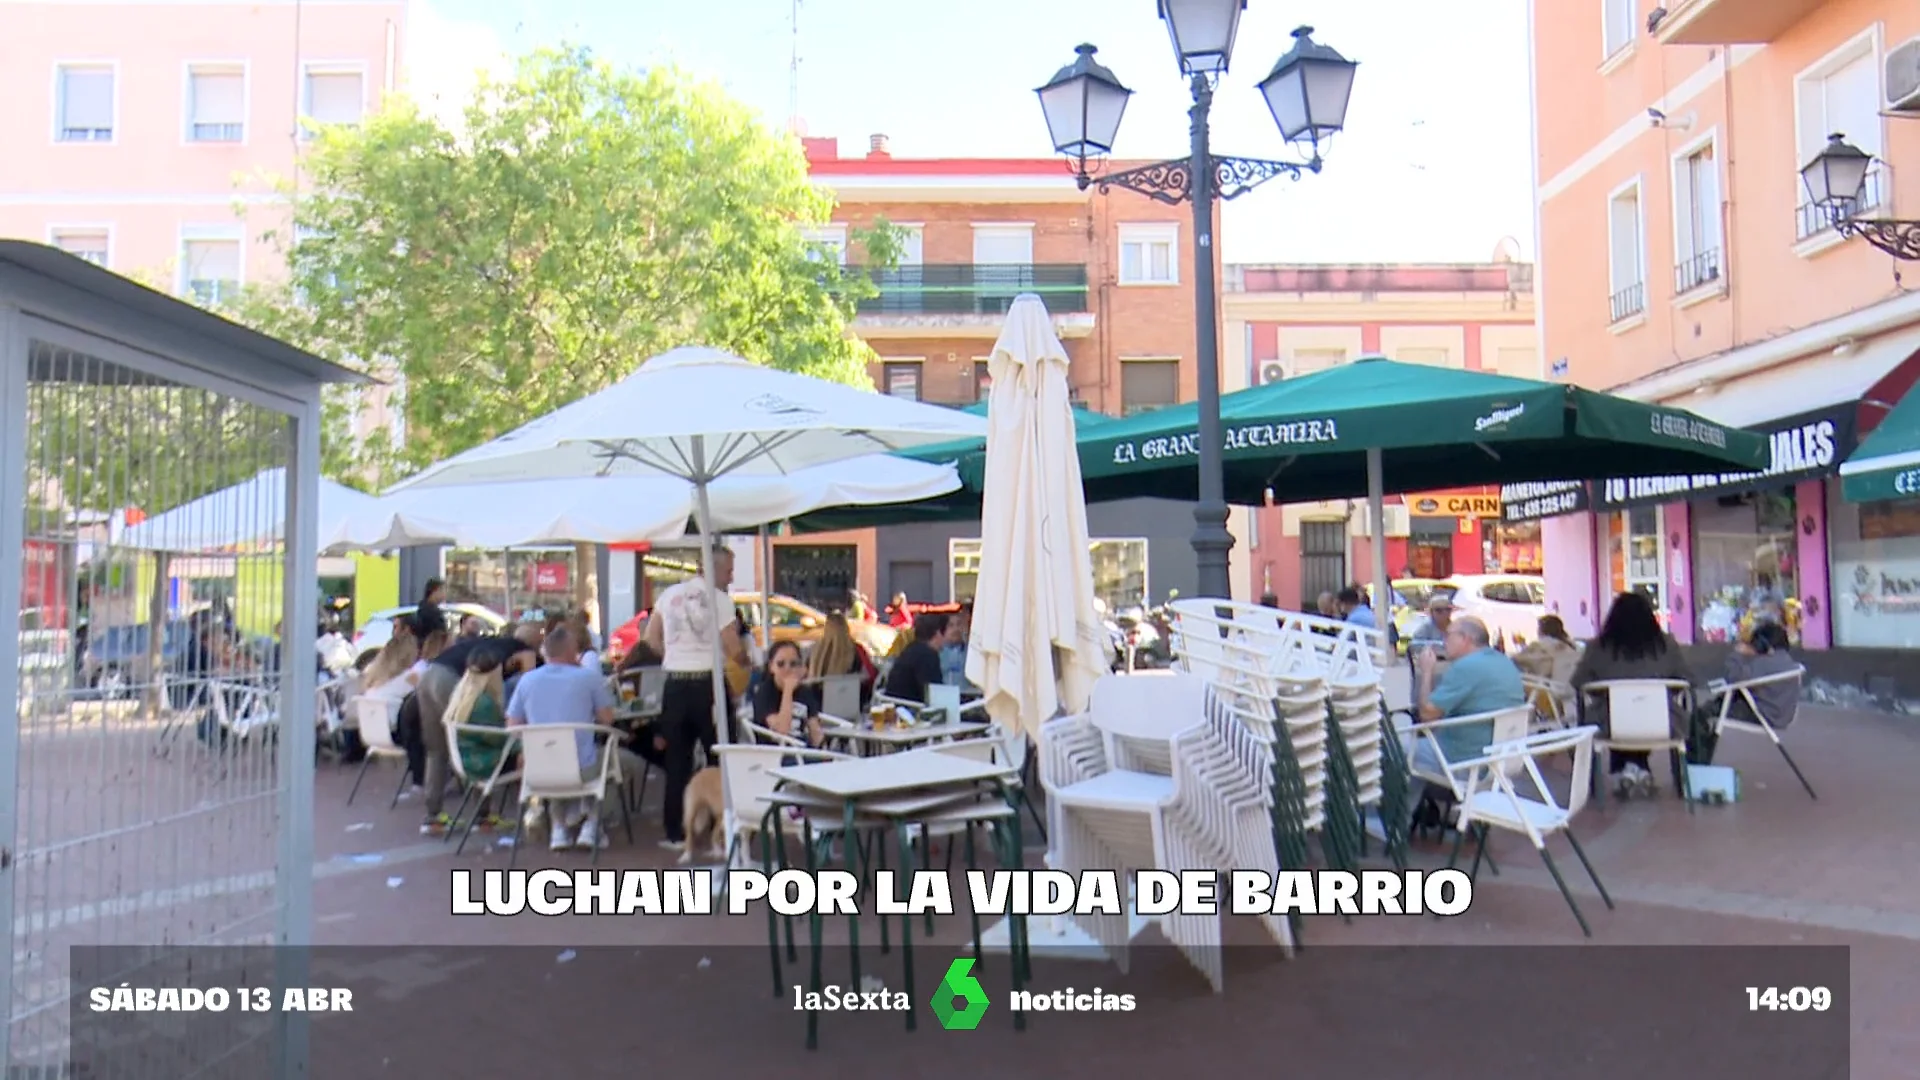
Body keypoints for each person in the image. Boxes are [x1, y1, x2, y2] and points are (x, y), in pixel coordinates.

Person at [642, 543, 748, 852]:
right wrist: (746, 660)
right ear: (713, 568)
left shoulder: (668, 595)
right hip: (707, 685)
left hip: (674, 684)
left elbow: (650, 638)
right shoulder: (720, 600)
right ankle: (722, 826)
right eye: (728, 570)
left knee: (677, 759)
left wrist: (672, 657)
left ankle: (676, 831)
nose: (730, 577)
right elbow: (732, 647)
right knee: (721, 755)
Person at [1569, 591, 1702, 793]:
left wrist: (1606, 692)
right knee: (1642, 712)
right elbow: (1688, 680)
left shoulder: (1598, 647)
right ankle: (1637, 767)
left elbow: (1578, 682)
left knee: (1618, 712)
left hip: (1610, 723)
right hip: (1663, 723)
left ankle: (1627, 768)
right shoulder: (1666, 645)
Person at [505, 626, 618, 852]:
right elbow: (607, 720)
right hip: (581, 769)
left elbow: (513, 727)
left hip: (539, 770)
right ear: (571, 651)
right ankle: (592, 824)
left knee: (554, 755)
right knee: (617, 764)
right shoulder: (589, 678)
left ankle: (559, 829)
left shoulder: (527, 681)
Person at [1408, 616, 1527, 802]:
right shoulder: (1504, 662)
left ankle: (1395, 823)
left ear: (1465, 639)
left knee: (1396, 749)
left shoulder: (1466, 667)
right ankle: (1424, 813)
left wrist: (1427, 672)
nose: (1444, 640)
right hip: (1500, 761)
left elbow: (1426, 716)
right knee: (1418, 748)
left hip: (1464, 762)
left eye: (1448, 635)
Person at [1700, 623, 1799, 765]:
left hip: (1762, 714)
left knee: (1702, 714)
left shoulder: (1766, 663)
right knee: (1719, 703)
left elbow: (1733, 678)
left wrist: (1737, 655)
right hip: (1780, 714)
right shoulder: (1786, 661)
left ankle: (1697, 761)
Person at [443, 646, 513, 826]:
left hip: (466, 759)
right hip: (483, 762)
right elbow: (499, 739)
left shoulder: (461, 695)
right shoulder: (485, 703)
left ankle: (484, 815)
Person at [751, 640, 826, 751]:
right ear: (771, 666)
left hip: (804, 751)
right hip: (776, 755)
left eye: (793, 664)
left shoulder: (804, 691)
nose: (787, 669)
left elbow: (815, 733)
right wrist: (788, 691)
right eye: (781, 664)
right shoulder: (765, 692)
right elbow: (782, 730)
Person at [807, 611, 875, 709]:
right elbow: (871, 675)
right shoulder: (856, 651)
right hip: (853, 705)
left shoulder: (815, 651)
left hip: (820, 708)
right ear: (846, 628)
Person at [882, 612, 948, 705]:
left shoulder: (910, 649)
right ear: (938, 633)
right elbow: (935, 696)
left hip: (897, 706)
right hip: (911, 711)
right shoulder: (927, 656)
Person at [1514, 614, 1580, 684]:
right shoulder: (1571, 646)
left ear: (1541, 630)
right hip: (1570, 688)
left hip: (1548, 689)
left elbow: (1519, 659)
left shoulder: (1540, 645)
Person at [1407, 595, 1456, 664]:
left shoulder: (1456, 626)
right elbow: (1413, 644)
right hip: (1432, 663)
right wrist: (1438, 645)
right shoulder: (1426, 627)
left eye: (1448, 609)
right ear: (1431, 612)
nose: (1444, 613)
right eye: (1439, 610)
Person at [941, 603, 974, 688]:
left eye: (958, 624)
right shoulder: (937, 653)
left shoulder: (970, 652)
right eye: (951, 625)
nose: (956, 629)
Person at [410, 578, 447, 643]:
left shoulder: (423, 609)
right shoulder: (432, 613)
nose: (444, 594)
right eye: (442, 590)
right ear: (434, 592)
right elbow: (440, 635)